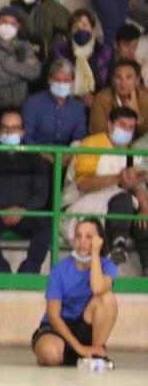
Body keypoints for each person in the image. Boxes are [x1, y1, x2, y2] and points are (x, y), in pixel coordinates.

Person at [61, 107, 148, 271]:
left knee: (143, 221)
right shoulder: (91, 145)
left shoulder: (130, 153)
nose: (127, 131)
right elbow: (83, 184)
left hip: (112, 206)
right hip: (78, 203)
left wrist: (144, 208)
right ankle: (117, 245)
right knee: (124, 198)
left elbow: (137, 186)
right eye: (122, 125)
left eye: (131, 127)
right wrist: (118, 178)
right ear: (109, 125)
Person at [0, 110, 51, 274]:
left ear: (22, 132)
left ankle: (30, 270)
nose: (9, 132)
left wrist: (23, 210)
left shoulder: (34, 156)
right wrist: (1, 210)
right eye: (5, 128)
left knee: (46, 224)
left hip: (25, 213)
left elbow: (41, 193)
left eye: (14, 128)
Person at [32, 219, 118, 366]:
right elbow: (53, 315)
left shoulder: (107, 266)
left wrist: (95, 254)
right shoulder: (59, 270)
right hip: (59, 327)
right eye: (78, 236)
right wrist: (79, 348)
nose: (82, 241)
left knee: (107, 298)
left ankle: (96, 353)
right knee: (50, 355)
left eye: (89, 237)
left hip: (85, 325)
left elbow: (97, 288)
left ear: (99, 240)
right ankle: (77, 354)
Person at [0, 6, 42, 111]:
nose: (8, 26)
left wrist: (5, 65)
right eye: (4, 21)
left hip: (21, 105)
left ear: (18, 26)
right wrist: (22, 73)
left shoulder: (25, 45)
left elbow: (34, 72)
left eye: (13, 23)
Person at [51, 9, 114, 108]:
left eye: (85, 26)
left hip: (98, 104)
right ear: (70, 32)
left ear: (93, 30)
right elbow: (50, 79)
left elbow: (111, 83)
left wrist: (95, 97)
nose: (80, 30)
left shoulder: (105, 52)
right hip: (65, 103)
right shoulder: (59, 52)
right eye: (75, 27)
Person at [11, 0, 71, 69]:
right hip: (21, 60)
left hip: (50, 61)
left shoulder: (53, 8)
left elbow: (71, 29)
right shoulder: (13, 8)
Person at [22, 58, 88, 146]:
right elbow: (26, 136)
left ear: (72, 82)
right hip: (36, 154)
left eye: (66, 80)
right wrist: (42, 155)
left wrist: (65, 157)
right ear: (49, 80)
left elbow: (79, 139)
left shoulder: (77, 107)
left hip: (66, 156)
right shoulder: (33, 103)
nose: (61, 84)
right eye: (57, 80)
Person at [90, 58, 148, 137]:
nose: (123, 82)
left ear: (137, 80)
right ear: (113, 80)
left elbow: (146, 133)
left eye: (128, 77)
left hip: (138, 146)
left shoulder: (145, 98)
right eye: (118, 77)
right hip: (110, 145)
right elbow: (98, 132)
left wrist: (137, 116)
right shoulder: (101, 99)